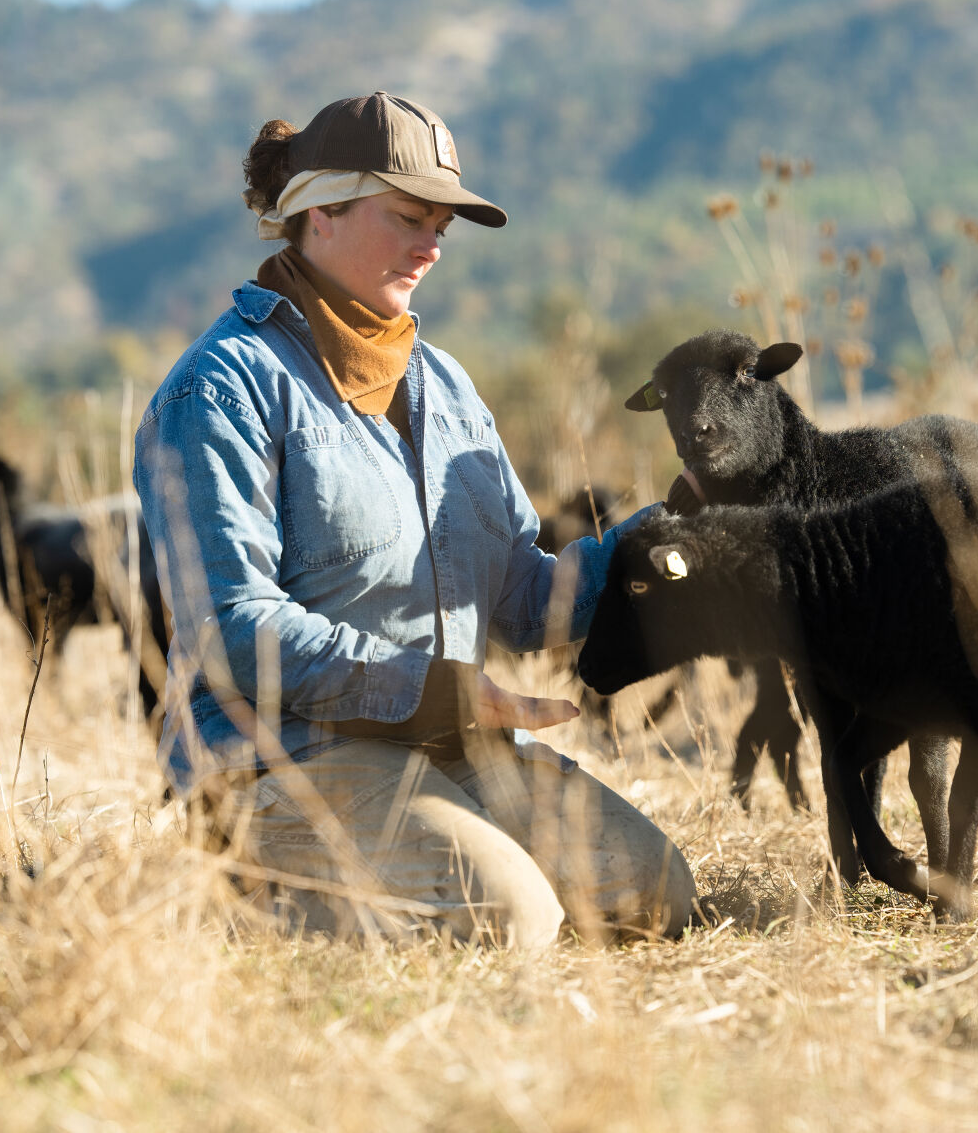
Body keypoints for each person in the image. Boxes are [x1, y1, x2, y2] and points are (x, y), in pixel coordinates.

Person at [132, 92, 697, 947]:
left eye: (441, 226)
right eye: (407, 218)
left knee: (658, 895)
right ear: (319, 212)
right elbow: (230, 628)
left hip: (448, 741)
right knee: (514, 919)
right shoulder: (221, 388)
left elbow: (522, 596)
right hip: (277, 757)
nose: (431, 247)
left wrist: (654, 541)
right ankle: (225, 897)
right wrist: (438, 691)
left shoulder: (447, 387)